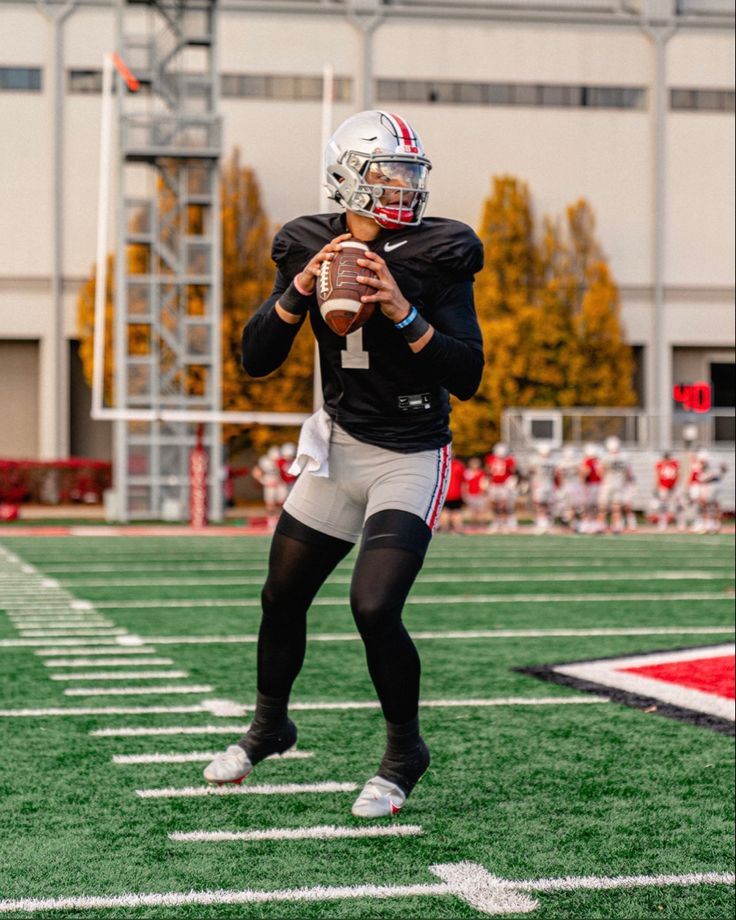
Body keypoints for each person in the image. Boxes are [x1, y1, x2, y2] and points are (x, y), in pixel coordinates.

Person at [204, 110, 484, 818]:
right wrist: (299, 290)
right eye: (388, 172)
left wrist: (401, 310)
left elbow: (468, 373)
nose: (404, 187)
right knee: (280, 596)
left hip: (411, 455)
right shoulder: (308, 241)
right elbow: (256, 358)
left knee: (374, 604)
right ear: (347, 178)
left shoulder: (441, 252)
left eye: (411, 174)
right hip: (337, 449)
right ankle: (270, 727)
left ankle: (403, 754)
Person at [485, 442, 517, 533]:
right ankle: (496, 521)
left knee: (503, 504)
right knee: (494, 503)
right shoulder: (490, 458)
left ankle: (504, 522)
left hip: (504, 485)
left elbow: (513, 471)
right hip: (494, 484)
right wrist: (487, 480)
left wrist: (512, 481)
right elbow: (487, 470)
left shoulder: (509, 460)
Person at [438, 455, 466, 534]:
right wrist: (464, 494)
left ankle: (445, 529)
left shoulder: (442, 464)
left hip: (445, 493)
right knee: (456, 511)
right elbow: (463, 481)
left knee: (445, 511)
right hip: (457, 493)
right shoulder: (459, 465)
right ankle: (458, 529)